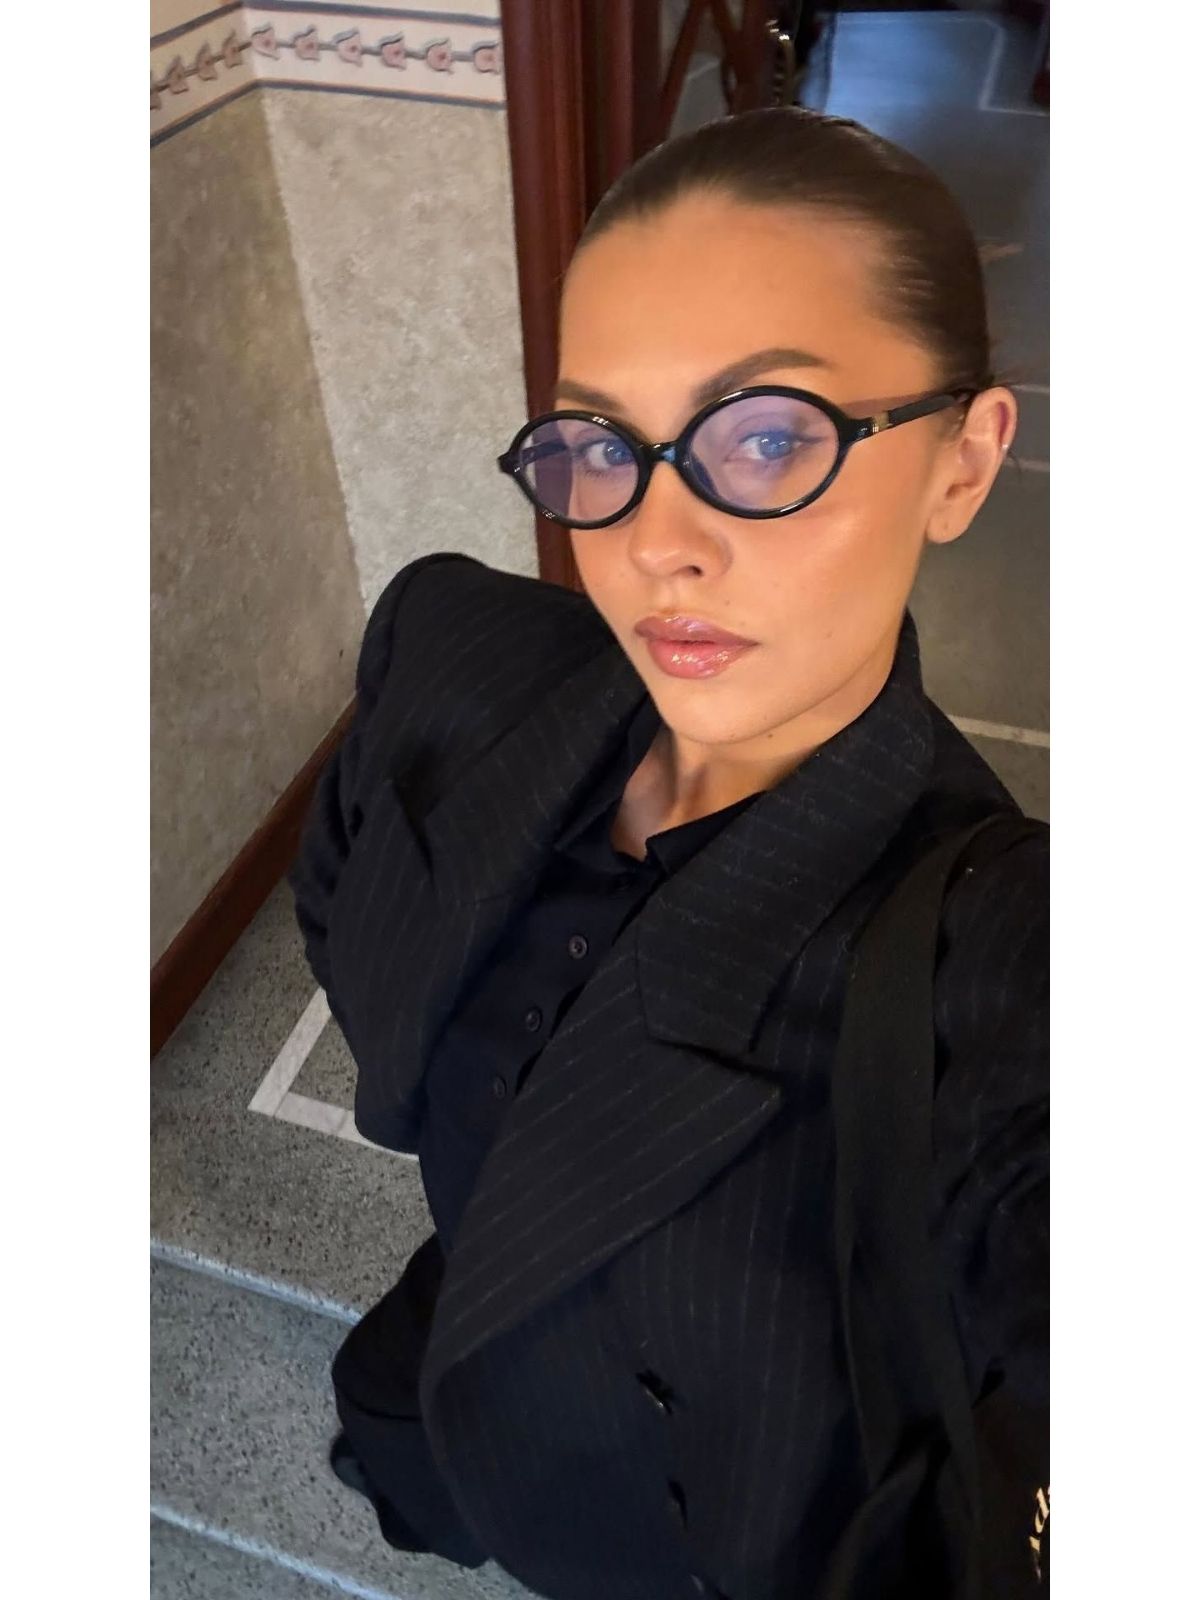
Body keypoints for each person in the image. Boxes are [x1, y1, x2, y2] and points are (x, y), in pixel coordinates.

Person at [289, 106, 1049, 1600]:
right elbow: (346, 906)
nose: (653, 546)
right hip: (444, 1377)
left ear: (961, 465)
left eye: (766, 438)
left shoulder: (1004, 969)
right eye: (598, 446)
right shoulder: (448, 655)